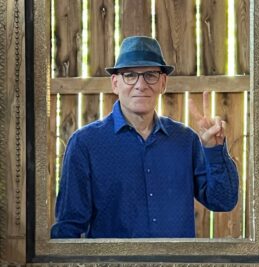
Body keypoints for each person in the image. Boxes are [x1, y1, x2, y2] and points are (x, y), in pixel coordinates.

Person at [51, 36, 239, 238]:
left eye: (150, 75)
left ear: (163, 83)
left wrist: (214, 151)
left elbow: (223, 201)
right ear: (115, 83)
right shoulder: (85, 144)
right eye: (130, 75)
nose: (141, 85)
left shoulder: (186, 141)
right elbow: (67, 228)